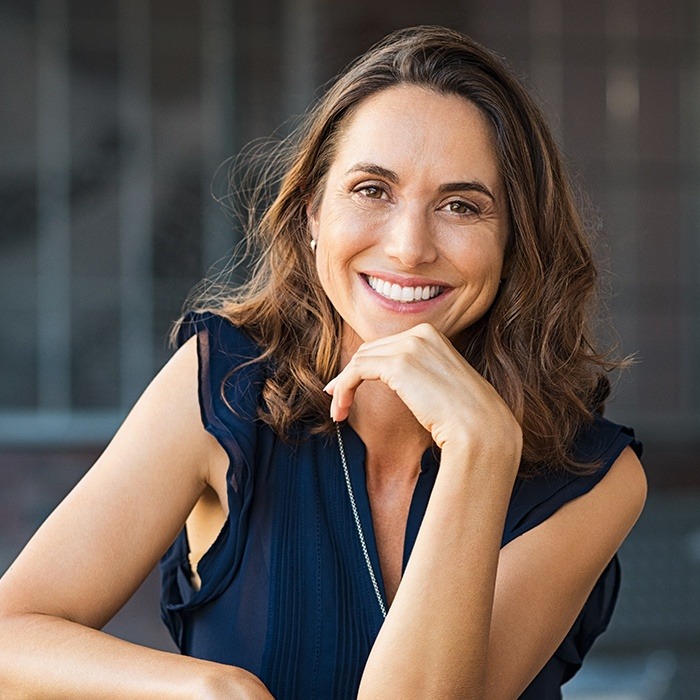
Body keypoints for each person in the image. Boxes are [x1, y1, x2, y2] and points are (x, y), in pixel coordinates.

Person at [0, 25, 646, 699]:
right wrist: (212, 691)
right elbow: (11, 633)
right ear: (312, 214)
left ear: (515, 242)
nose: (408, 248)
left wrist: (481, 454)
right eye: (372, 189)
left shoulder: (595, 476)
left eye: (462, 206)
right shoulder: (222, 383)